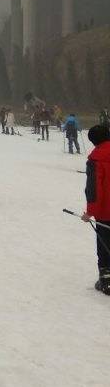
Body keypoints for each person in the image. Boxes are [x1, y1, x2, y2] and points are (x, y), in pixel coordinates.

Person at [83, 124, 110, 295]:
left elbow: (94, 189)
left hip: (105, 211)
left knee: (104, 243)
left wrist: (90, 212)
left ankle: (106, 278)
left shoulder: (96, 159)